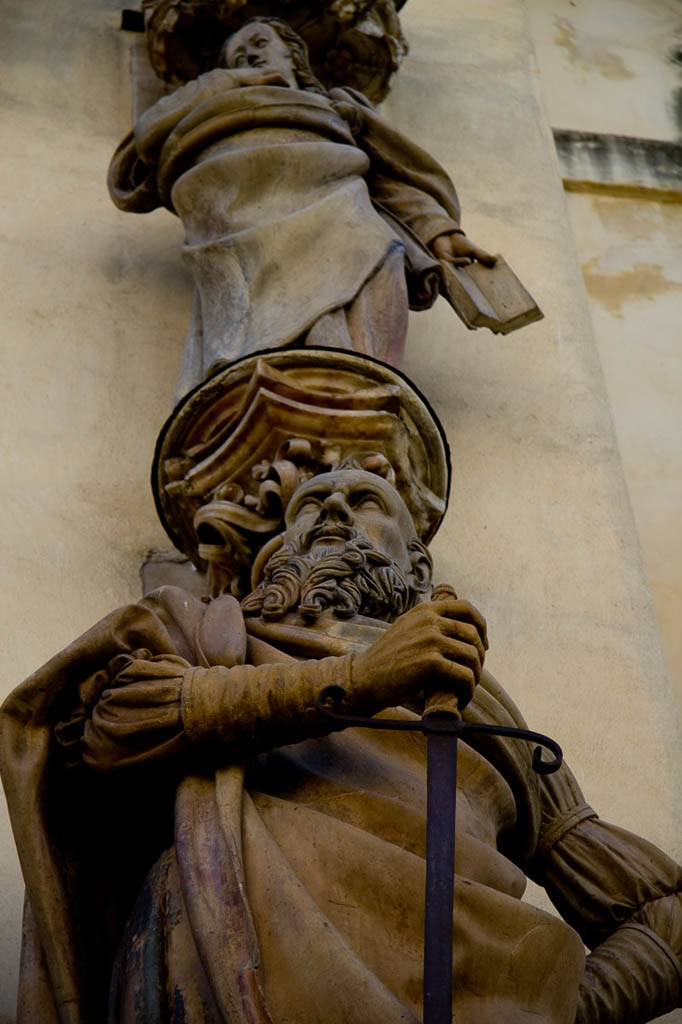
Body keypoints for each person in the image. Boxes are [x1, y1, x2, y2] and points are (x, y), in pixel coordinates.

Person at [2, 467, 681, 1023]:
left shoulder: (485, 709)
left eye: (363, 499)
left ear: (415, 562)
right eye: (307, 505)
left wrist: (565, 1007)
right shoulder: (207, 637)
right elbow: (108, 729)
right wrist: (361, 680)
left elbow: (665, 915)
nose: (329, 508)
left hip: (469, 992)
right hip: (231, 964)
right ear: (270, 558)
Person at [108, 18, 496, 399]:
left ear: (293, 54)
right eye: (238, 56)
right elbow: (148, 136)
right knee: (259, 307)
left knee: (380, 258)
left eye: (260, 43)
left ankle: (356, 390)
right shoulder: (216, 97)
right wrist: (230, 82)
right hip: (240, 207)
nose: (250, 57)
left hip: (341, 204)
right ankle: (281, 397)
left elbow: (391, 184)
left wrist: (440, 233)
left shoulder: (339, 107)